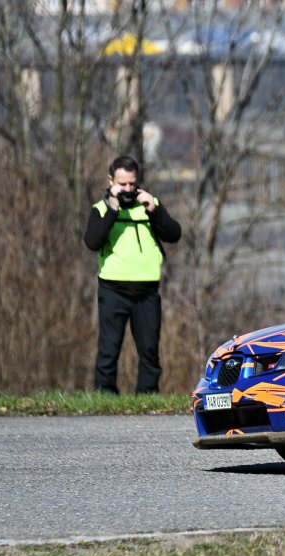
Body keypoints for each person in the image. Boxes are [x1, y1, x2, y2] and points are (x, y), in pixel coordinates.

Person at [83, 155, 182, 394]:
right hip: (113, 289)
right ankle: (105, 395)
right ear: (111, 181)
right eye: (122, 184)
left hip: (147, 291)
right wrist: (112, 209)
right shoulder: (101, 209)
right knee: (109, 349)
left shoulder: (149, 206)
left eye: (132, 184)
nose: (128, 189)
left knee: (149, 350)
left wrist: (154, 210)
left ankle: (148, 396)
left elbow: (174, 234)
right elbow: (92, 241)